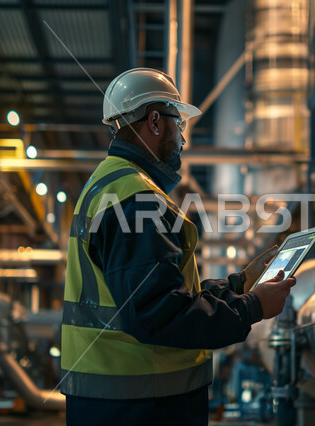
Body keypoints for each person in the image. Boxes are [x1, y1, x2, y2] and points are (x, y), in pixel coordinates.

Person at [60, 68, 296, 425]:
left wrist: (238, 286)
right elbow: (159, 314)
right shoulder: (137, 198)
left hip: (117, 400)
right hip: (141, 405)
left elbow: (160, 295)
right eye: (178, 124)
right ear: (155, 121)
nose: (182, 139)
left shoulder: (110, 184)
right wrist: (251, 308)